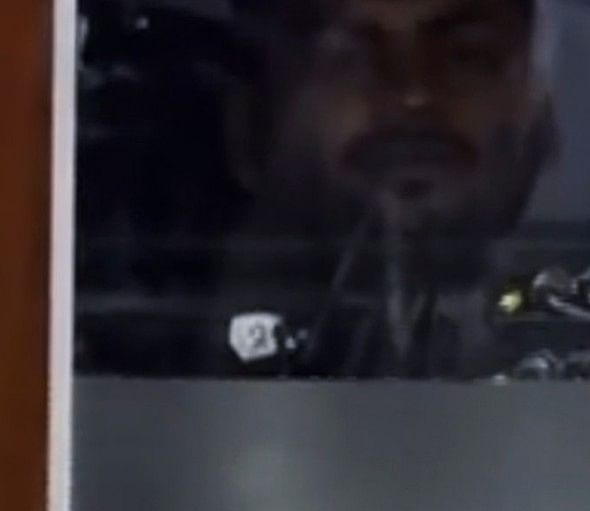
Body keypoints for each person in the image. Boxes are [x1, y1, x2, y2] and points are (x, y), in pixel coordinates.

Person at [219, 0, 557, 378]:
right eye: (351, 58)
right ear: (255, 119)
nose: (413, 95)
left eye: (465, 56)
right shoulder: (171, 368)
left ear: (539, 115)